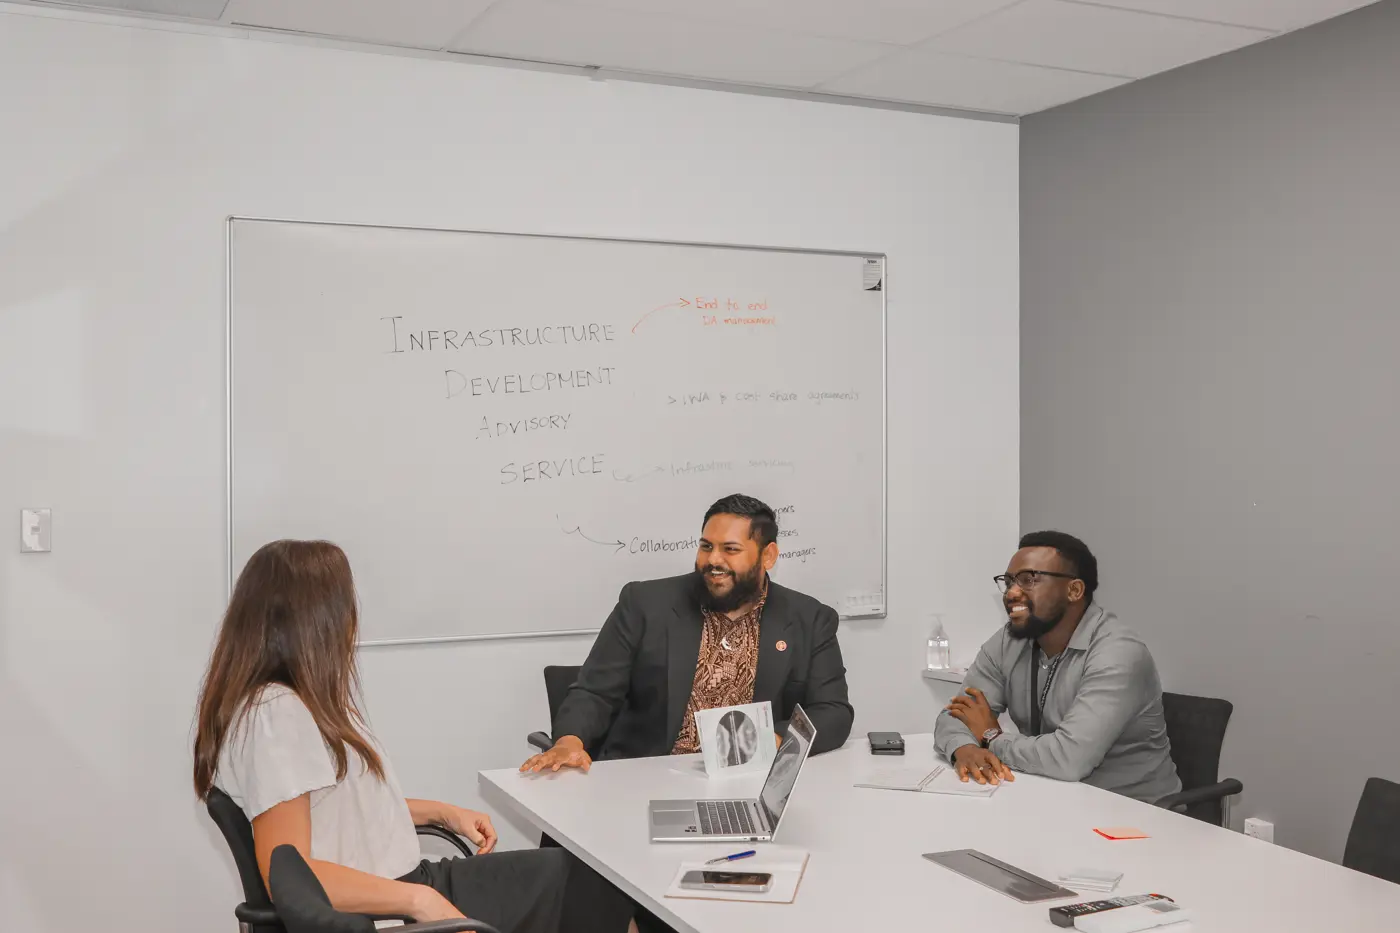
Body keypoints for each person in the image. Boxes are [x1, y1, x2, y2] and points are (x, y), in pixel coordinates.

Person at [193, 539, 634, 933]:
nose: (352, 625)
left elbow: (334, 809)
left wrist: (438, 813)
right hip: (386, 903)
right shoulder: (278, 716)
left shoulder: (284, 703)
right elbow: (288, 877)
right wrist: (420, 901)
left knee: (589, 877)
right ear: (314, 624)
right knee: (591, 887)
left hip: (395, 885)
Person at [521, 493, 853, 773]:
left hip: (746, 780)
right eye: (706, 546)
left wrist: (772, 741)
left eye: (730, 549)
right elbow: (594, 692)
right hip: (645, 778)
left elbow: (833, 711)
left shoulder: (810, 619)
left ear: (767, 556)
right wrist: (569, 742)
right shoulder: (645, 604)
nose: (713, 560)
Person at [934, 531, 1181, 804]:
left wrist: (991, 737)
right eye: (1008, 581)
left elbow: (1068, 759)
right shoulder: (1010, 641)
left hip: (1134, 814)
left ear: (1074, 590)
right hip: (1052, 799)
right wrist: (964, 748)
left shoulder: (1118, 653)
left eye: (1028, 580)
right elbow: (956, 715)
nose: (1012, 592)